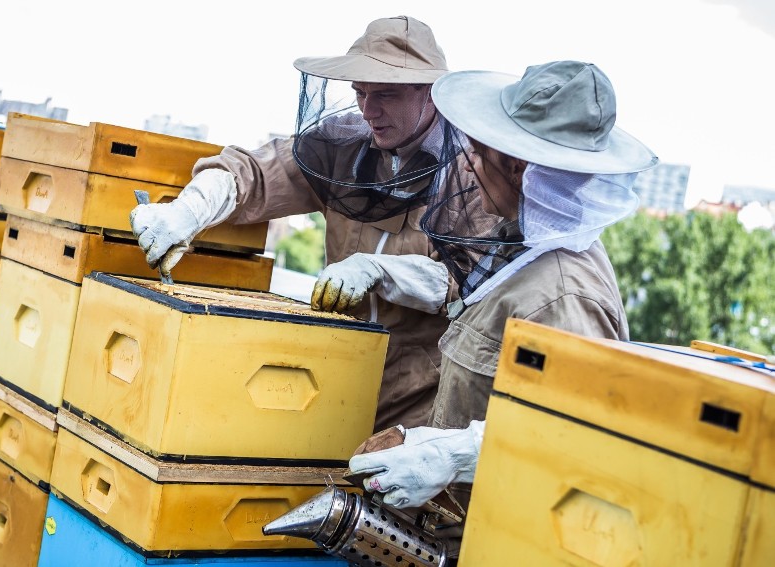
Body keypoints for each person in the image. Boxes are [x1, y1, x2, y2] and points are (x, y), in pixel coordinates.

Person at [348, 59, 658, 540]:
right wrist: (426, 442)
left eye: (478, 151)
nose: (467, 161)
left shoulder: (562, 294)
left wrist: (445, 457)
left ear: (518, 166)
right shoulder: (522, 249)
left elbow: (576, 437)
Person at [129, 16, 467, 431]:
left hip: (417, 406)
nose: (368, 109)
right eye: (360, 93)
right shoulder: (343, 145)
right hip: (330, 378)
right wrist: (187, 210)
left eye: (386, 94)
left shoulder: (471, 174)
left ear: (430, 94)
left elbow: (469, 281)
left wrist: (379, 271)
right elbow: (254, 173)